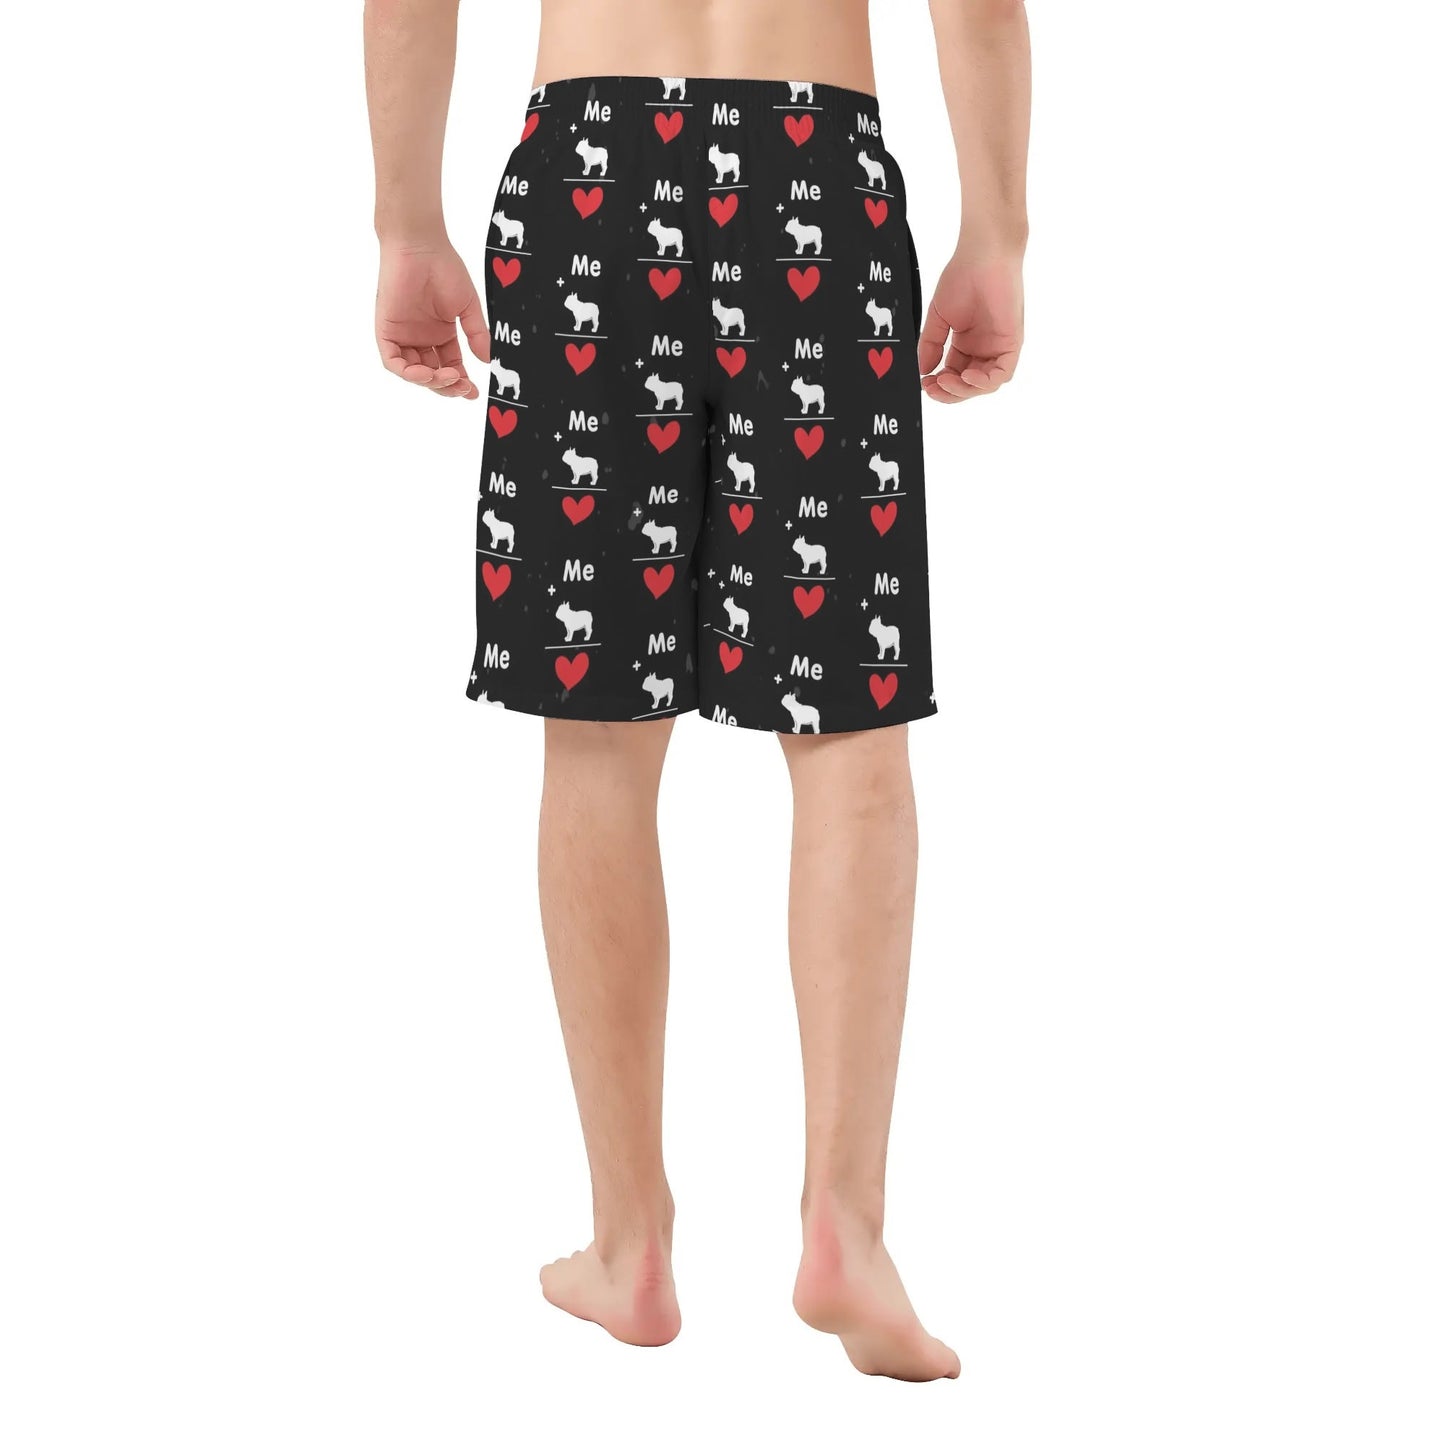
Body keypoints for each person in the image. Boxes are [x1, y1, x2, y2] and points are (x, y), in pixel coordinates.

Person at [364, 0, 1029, 1383]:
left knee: (597, 737)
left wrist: (404, 220)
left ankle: (630, 1243)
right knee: (849, 729)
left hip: (589, 176)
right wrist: (998, 230)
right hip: (815, 172)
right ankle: (844, 1225)